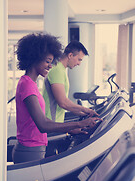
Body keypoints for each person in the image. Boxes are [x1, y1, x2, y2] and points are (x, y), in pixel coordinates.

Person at [12, 33, 101, 164]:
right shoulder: (27, 85)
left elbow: (43, 119)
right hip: (29, 150)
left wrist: (71, 129)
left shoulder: (31, 83)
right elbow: (43, 124)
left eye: (51, 62)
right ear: (34, 58)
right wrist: (79, 123)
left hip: (35, 147)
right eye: (47, 61)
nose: (50, 66)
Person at [43, 40, 98, 122]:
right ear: (70, 55)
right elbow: (63, 102)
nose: (79, 63)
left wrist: (81, 113)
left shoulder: (61, 69)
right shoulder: (57, 70)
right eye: (79, 59)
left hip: (56, 121)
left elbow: (64, 103)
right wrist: (85, 109)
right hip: (51, 122)